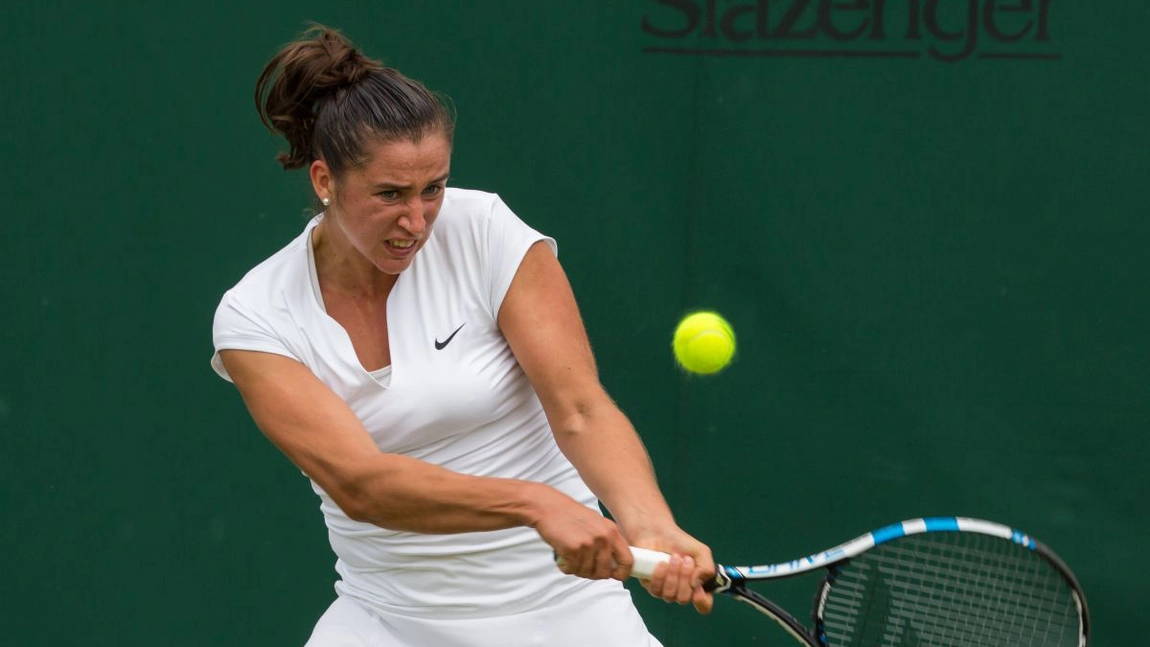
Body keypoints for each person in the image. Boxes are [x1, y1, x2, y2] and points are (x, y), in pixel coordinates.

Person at [211, 24, 713, 646]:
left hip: (566, 609)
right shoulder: (257, 316)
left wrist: (649, 524)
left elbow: (581, 410)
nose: (416, 221)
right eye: (390, 194)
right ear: (324, 181)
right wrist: (536, 505)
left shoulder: (487, 232)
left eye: (433, 188)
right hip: (386, 621)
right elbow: (362, 484)